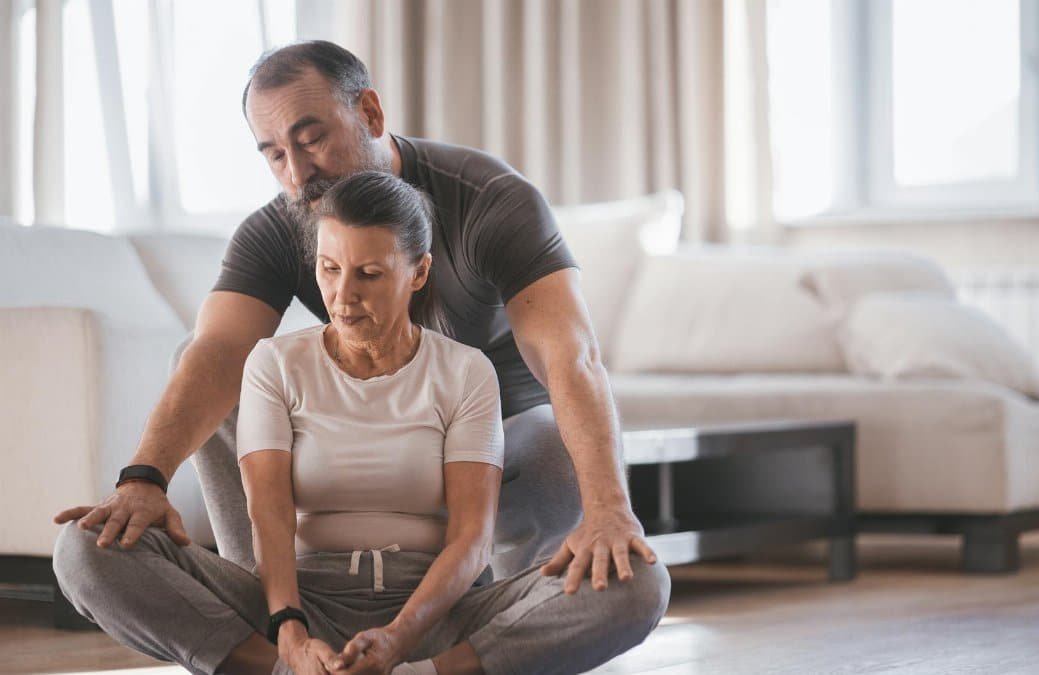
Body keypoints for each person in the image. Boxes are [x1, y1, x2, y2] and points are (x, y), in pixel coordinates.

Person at [54, 39, 660, 611]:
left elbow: (570, 356)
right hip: (366, 431)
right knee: (210, 360)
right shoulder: (280, 225)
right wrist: (144, 479)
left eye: (311, 139)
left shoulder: (489, 199)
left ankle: (502, 623)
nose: (297, 172)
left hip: (501, 433)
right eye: (273, 154)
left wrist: (609, 508)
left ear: (370, 112)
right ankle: (269, 615)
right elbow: (214, 351)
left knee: (553, 449)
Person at [53, 171, 669, 675]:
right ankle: (274, 671)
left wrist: (401, 643)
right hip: (303, 600)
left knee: (640, 583)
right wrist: (291, 637)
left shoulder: (466, 372)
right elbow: (267, 520)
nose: (343, 296)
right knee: (83, 550)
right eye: (328, 269)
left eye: (369, 274)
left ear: (418, 273)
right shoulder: (273, 363)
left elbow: (471, 540)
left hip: (440, 613)